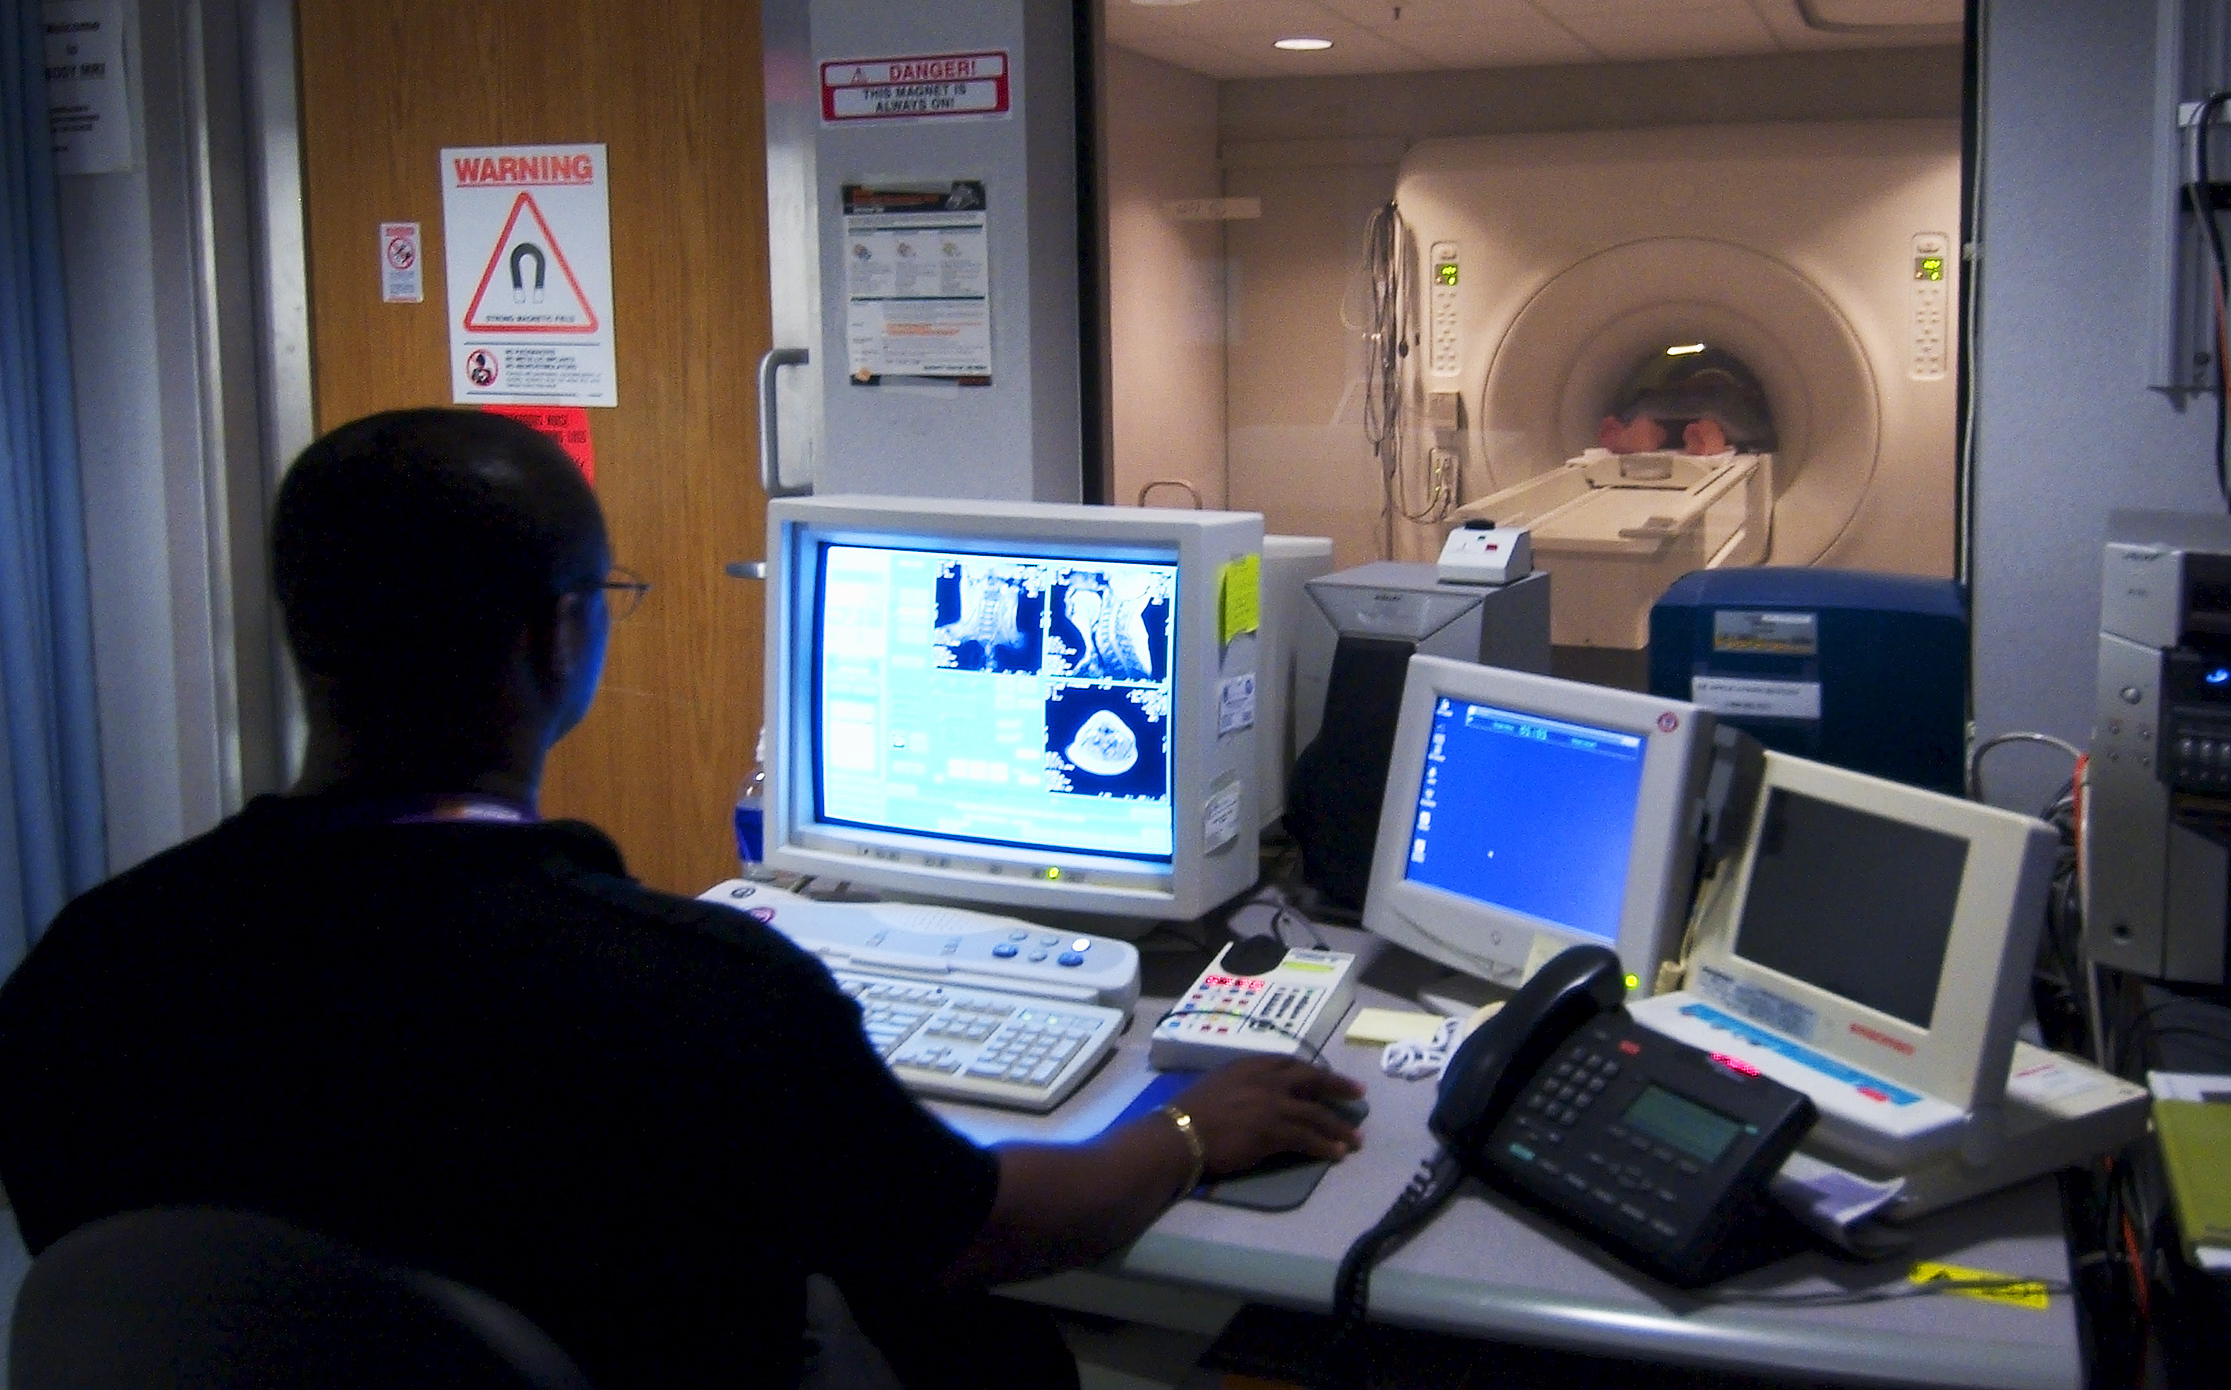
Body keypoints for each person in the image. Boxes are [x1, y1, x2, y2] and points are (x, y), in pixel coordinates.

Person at [0, 408, 1362, 1390]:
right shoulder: (690, 993)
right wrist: (1185, 1129)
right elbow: (983, 1232)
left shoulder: (87, 965)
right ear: (558, 636)